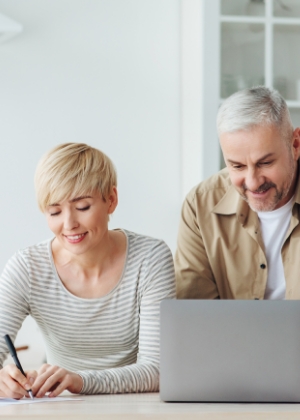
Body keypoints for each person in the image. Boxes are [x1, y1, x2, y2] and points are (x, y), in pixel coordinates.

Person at [0, 143, 175, 399]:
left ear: (111, 200)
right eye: (55, 211)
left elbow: (157, 370)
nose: (69, 224)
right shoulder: (27, 268)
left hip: (136, 407)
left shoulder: (150, 258)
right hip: (61, 409)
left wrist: (79, 381)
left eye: (82, 207)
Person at [175, 86, 300, 300]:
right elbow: (195, 314)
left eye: (265, 162)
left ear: (296, 145)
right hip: (224, 335)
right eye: (237, 166)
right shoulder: (200, 205)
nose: (252, 182)